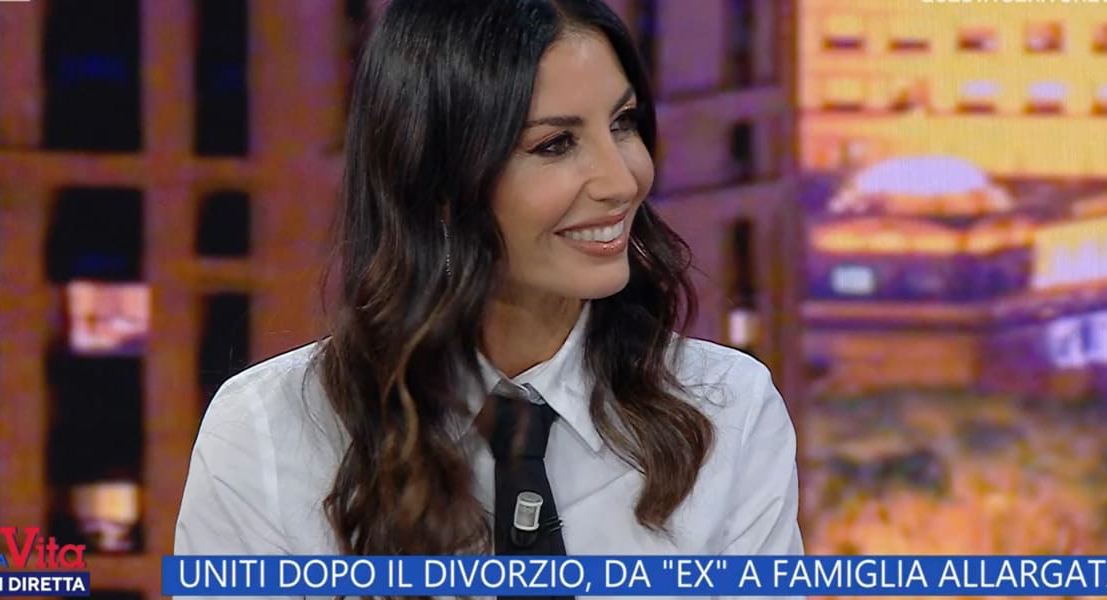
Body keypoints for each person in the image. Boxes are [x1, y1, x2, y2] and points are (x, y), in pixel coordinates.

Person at [174, 0, 803, 593]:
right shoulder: (268, 433)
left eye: (623, 123)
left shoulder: (727, 412)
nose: (621, 180)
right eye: (555, 144)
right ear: (437, 182)